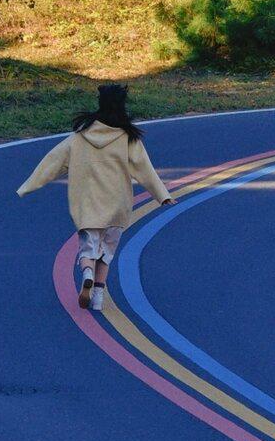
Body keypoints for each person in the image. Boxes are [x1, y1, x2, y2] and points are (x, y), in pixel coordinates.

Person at [17, 82, 174, 312]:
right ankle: (98, 297)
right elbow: (145, 170)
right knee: (107, 253)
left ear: (100, 104)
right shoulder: (129, 138)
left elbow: (52, 161)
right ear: (122, 107)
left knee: (88, 249)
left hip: (88, 204)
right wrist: (163, 196)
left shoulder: (79, 137)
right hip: (118, 205)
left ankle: (87, 273)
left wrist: (27, 186)